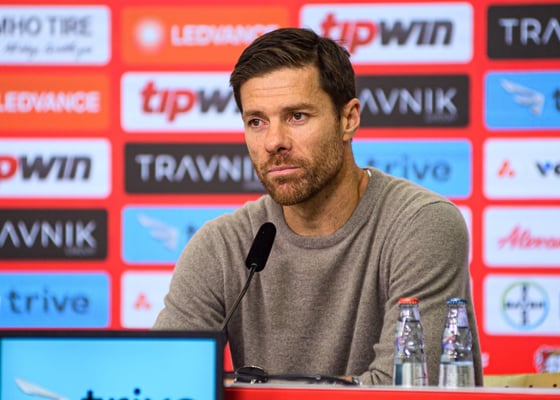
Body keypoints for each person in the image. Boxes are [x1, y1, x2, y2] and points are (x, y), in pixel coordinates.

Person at [153, 27, 483, 386]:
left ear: (348, 119)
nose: (274, 142)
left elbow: (404, 388)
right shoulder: (222, 245)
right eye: (257, 122)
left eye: (297, 116)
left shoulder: (421, 224)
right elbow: (163, 381)